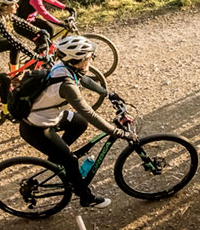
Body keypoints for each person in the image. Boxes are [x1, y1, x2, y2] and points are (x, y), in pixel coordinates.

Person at [21, 36, 137, 209]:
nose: (92, 60)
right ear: (77, 61)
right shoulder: (66, 86)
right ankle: (86, 198)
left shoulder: (64, 67)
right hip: (37, 128)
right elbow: (89, 113)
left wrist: (107, 93)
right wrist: (117, 132)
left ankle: (57, 160)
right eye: (89, 57)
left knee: (79, 123)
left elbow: (84, 79)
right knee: (71, 160)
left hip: (48, 116)